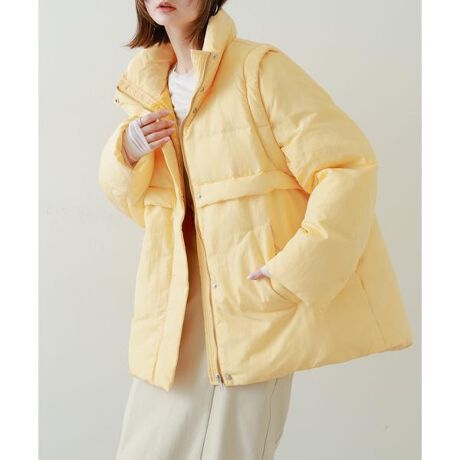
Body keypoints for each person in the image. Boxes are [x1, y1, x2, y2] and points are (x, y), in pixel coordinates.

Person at [99, 1, 413, 458]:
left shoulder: (259, 70)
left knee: (232, 447)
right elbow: (146, 208)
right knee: (146, 446)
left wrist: (295, 269)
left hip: (250, 304)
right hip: (173, 303)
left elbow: (348, 167)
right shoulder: (147, 88)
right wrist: (125, 151)